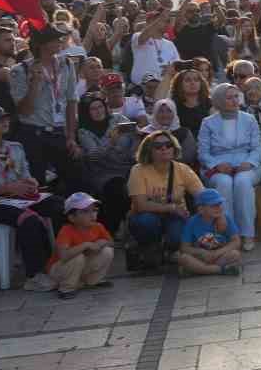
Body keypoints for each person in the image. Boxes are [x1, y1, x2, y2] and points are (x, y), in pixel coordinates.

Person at [0, 103, 66, 288]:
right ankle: (34, 275)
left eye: (5, 118)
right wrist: (10, 188)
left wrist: (31, 182)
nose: (4, 122)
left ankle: (60, 259)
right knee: (29, 220)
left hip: (20, 197)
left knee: (60, 205)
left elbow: (24, 174)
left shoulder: (15, 147)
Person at [7, 24, 81, 188]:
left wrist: (71, 136)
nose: (60, 41)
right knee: (38, 185)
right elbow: (24, 110)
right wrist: (35, 83)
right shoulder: (20, 70)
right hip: (33, 134)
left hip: (59, 132)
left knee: (74, 181)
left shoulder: (67, 64)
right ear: (42, 44)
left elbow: (71, 101)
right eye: (55, 39)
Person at [197, 83, 261, 253]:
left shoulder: (249, 119)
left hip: (246, 163)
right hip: (218, 166)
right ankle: (228, 234)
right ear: (218, 100)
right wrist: (216, 165)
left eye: (236, 96)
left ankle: (247, 233)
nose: (234, 101)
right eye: (229, 97)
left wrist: (250, 162)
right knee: (224, 184)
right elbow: (203, 152)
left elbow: (257, 147)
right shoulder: (208, 122)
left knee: (242, 182)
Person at [126, 130, 202, 268]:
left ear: (174, 148)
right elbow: (140, 205)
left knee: (178, 235)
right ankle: (149, 248)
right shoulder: (138, 170)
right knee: (146, 221)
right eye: (158, 146)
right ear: (149, 150)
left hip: (175, 217)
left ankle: (170, 250)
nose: (164, 148)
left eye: (168, 145)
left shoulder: (183, 169)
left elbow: (202, 196)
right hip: (148, 217)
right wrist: (171, 207)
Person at [73, 91, 137, 234]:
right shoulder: (84, 131)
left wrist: (137, 139)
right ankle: (109, 232)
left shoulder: (118, 119)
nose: (98, 111)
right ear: (86, 112)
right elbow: (94, 156)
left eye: (100, 107)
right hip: (104, 172)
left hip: (127, 166)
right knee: (117, 189)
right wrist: (111, 142)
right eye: (93, 109)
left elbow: (134, 137)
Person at [49, 192, 114, 299]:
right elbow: (63, 256)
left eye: (94, 210)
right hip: (59, 270)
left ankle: (92, 281)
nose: (92, 214)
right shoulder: (66, 231)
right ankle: (66, 288)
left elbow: (110, 242)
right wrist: (85, 245)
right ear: (72, 218)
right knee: (77, 257)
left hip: (80, 267)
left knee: (107, 251)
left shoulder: (98, 226)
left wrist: (101, 243)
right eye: (85, 212)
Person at [177, 187, 242, 276]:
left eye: (219, 204)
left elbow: (236, 241)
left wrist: (216, 253)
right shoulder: (191, 222)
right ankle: (220, 270)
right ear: (201, 209)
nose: (218, 208)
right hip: (201, 257)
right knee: (183, 258)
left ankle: (199, 270)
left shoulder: (226, 218)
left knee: (235, 254)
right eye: (213, 205)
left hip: (220, 256)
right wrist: (201, 252)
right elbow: (184, 248)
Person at [168, 65, 212, 138]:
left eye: (196, 80)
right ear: (179, 84)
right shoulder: (174, 105)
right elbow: (157, 100)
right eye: (187, 80)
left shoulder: (209, 103)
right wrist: (168, 75)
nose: (192, 83)